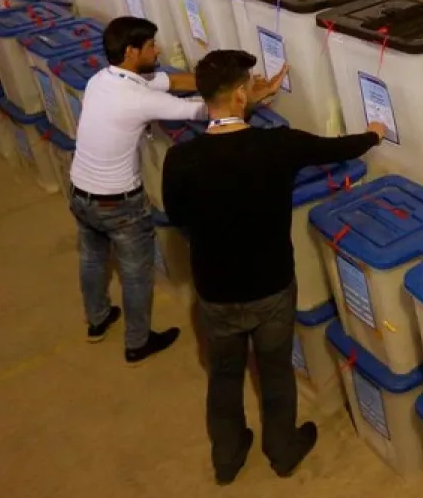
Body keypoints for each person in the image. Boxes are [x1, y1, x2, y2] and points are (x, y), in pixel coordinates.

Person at [162, 50, 385, 485]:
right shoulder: (276, 146)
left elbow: (178, 216)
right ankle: (282, 449)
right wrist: (374, 135)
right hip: (271, 286)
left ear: (205, 96)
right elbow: (335, 149)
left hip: (216, 291)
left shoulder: (181, 159)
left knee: (224, 374)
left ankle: (227, 456)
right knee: (275, 369)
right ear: (243, 94)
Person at [68, 18, 280, 364]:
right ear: (131, 51)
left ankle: (97, 319)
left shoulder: (101, 79)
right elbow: (207, 110)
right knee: (137, 273)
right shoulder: (136, 98)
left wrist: (223, 80)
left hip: (80, 192)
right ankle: (137, 342)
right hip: (118, 204)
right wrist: (247, 96)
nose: (159, 50)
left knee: (92, 257)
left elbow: (173, 81)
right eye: (151, 46)